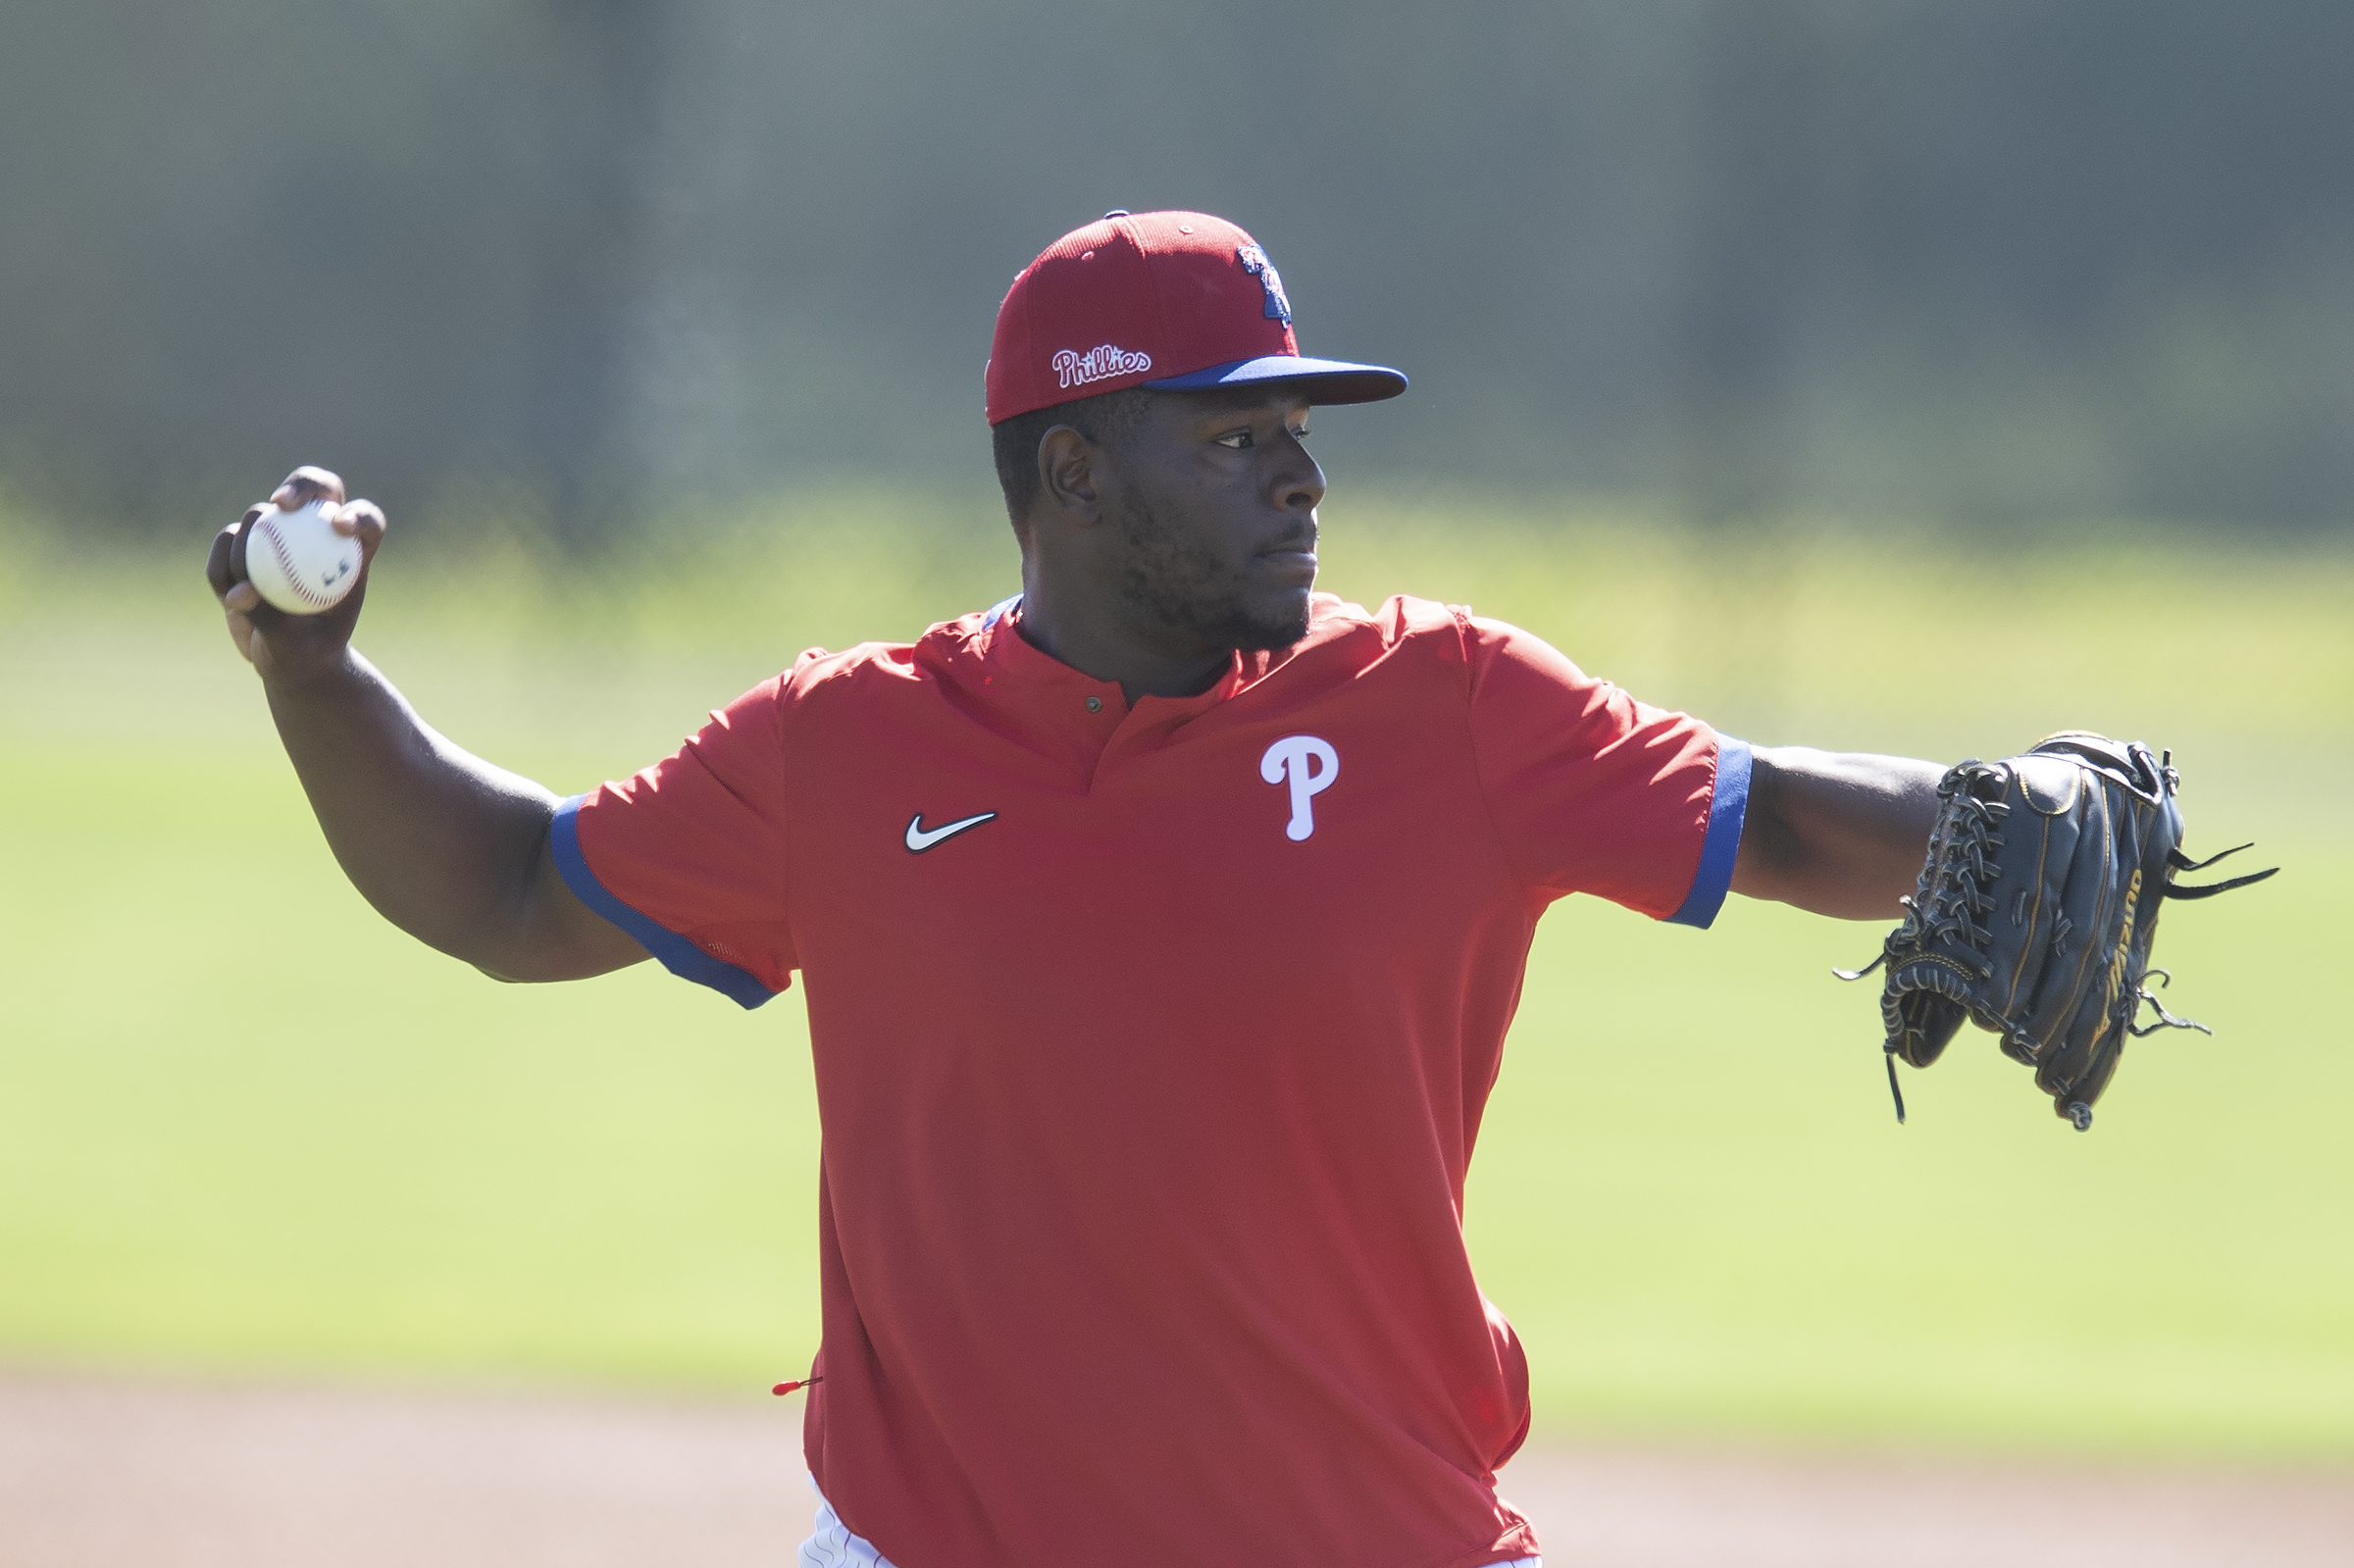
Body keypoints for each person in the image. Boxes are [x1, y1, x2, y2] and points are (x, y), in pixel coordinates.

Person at [208, 211, 1943, 1568]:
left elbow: (1778, 816)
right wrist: (313, 677)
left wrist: (2022, 801)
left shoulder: (1452, 706)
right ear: (1074, 471)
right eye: (1235, 433)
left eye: (1301, 429)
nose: (1303, 476)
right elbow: (517, 889)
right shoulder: (851, 749)